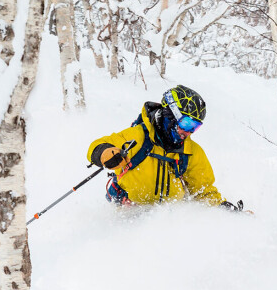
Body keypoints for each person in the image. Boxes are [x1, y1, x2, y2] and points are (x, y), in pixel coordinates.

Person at [87, 85, 244, 211]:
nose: (188, 132)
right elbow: (97, 146)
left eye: (195, 127)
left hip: (167, 224)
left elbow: (203, 192)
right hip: (129, 215)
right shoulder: (138, 137)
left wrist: (225, 211)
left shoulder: (191, 152)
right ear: (170, 116)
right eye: (187, 124)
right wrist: (105, 153)